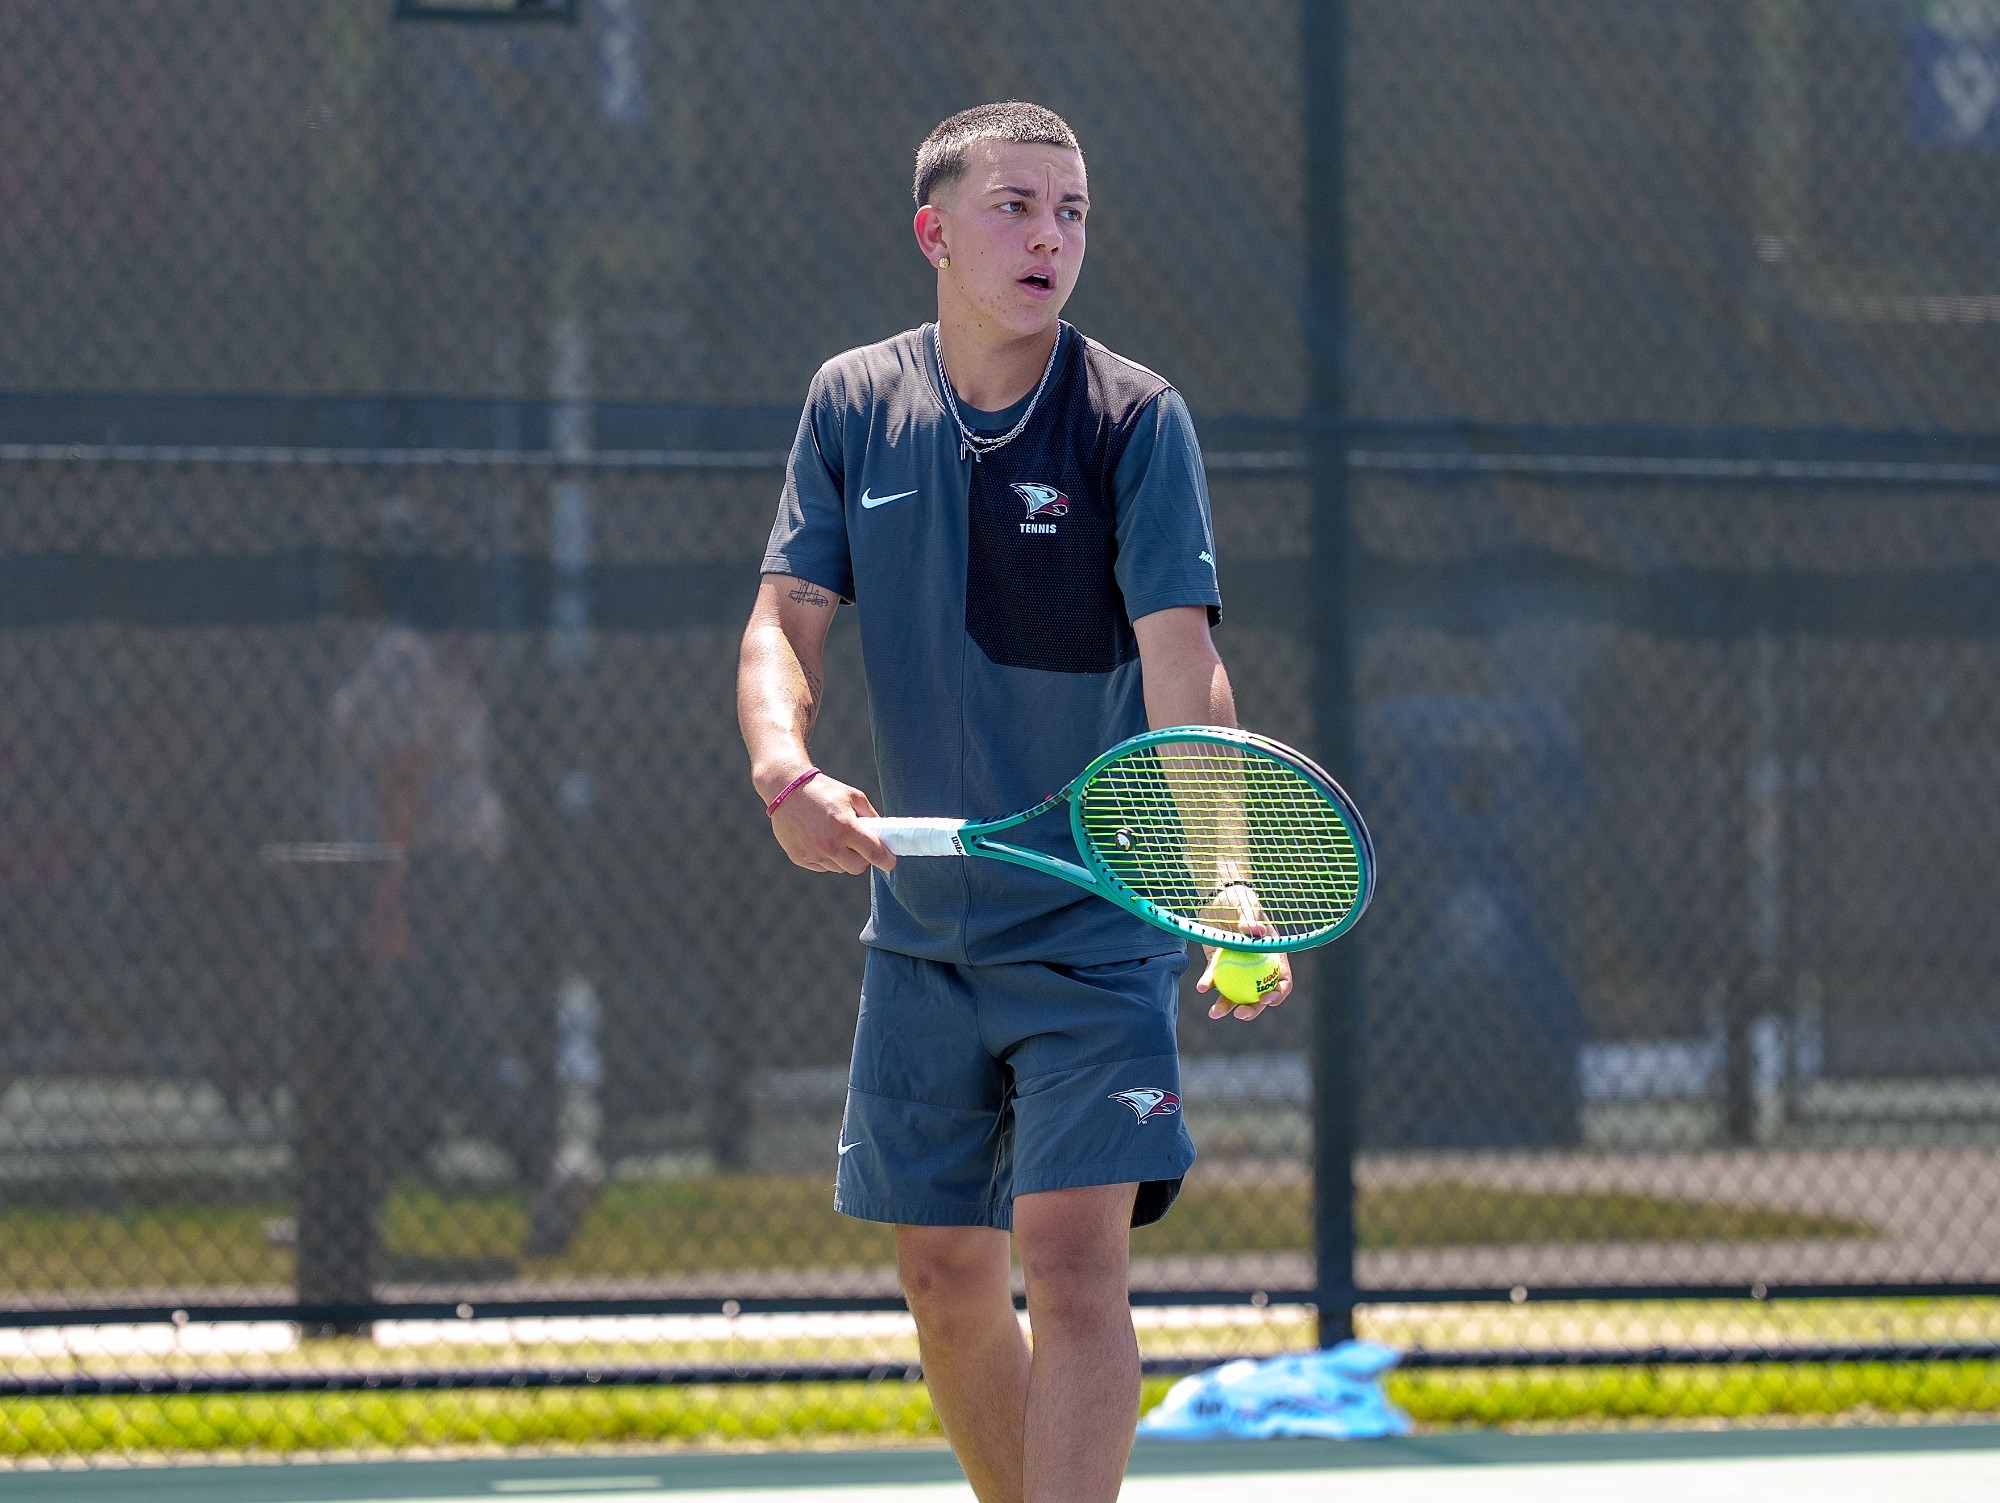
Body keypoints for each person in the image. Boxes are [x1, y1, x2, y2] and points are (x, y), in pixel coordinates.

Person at [736, 102, 1292, 1503]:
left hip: (1096, 928)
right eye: (1017, 207)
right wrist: (786, 772)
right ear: (935, 232)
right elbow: (786, 618)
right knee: (942, 1274)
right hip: (922, 930)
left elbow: (1184, 665)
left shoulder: (1132, 421)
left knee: (1073, 1260)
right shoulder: (854, 403)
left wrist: (1223, 873)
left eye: (1073, 212)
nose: (1052, 237)